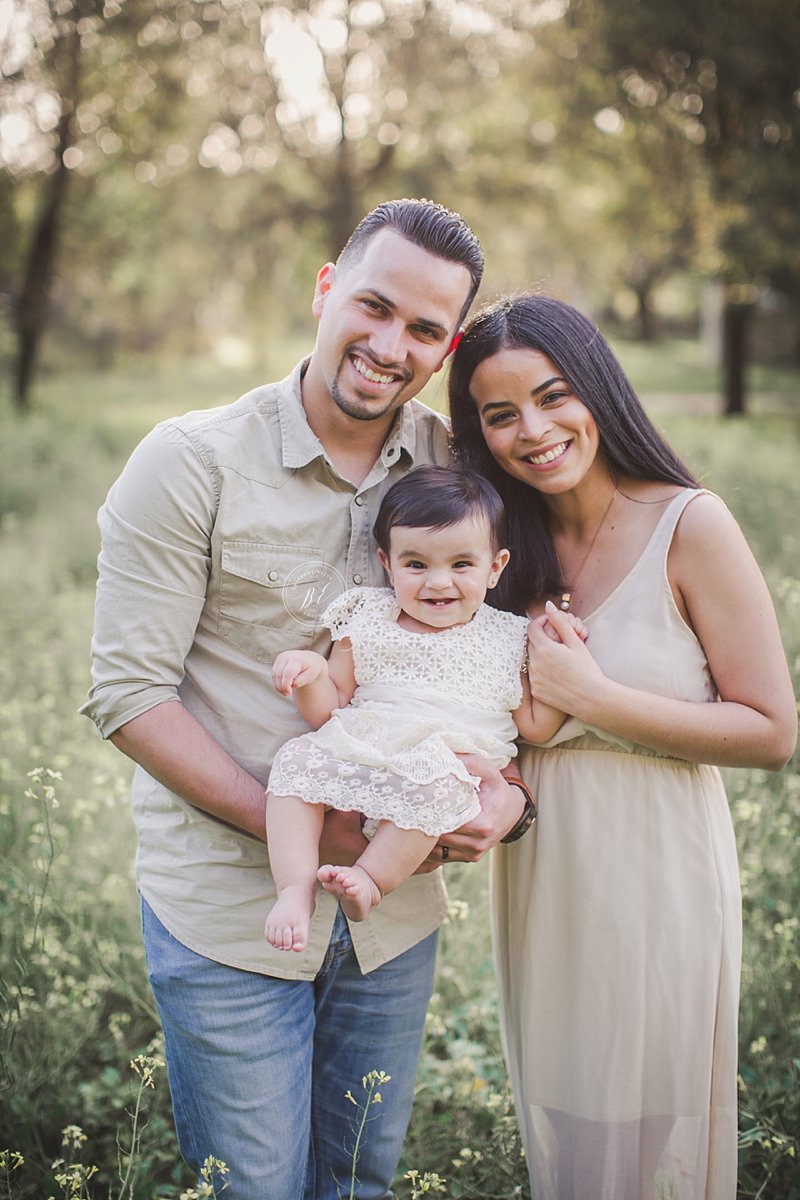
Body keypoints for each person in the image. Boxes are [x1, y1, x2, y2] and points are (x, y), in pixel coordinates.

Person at [80, 200, 536, 1200]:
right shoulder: (189, 461)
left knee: (360, 1179)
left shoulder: (459, 472)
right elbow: (127, 694)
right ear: (326, 288)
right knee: (254, 1186)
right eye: (372, 306)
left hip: (395, 920)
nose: (388, 346)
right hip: (228, 911)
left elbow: (508, 667)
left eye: (423, 330)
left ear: (445, 344)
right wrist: (308, 834)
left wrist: (508, 800)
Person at [448, 293, 797, 1200]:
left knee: (646, 1146)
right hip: (546, 879)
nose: (534, 429)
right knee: (568, 1140)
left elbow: (771, 732)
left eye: (554, 395)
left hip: (656, 876)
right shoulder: (497, 555)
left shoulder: (690, 525)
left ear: (599, 387)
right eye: (500, 414)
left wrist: (597, 699)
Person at [265, 465, 587, 952]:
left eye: (461, 565)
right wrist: (309, 671)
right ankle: (293, 888)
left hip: (444, 773)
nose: (439, 583)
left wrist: (568, 662)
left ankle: (371, 882)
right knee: (294, 762)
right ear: (387, 563)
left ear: (495, 567)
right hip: (363, 755)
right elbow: (328, 706)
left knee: (441, 785)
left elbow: (537, 727)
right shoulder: (369, 616)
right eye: (416, 565)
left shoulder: (509, 636)